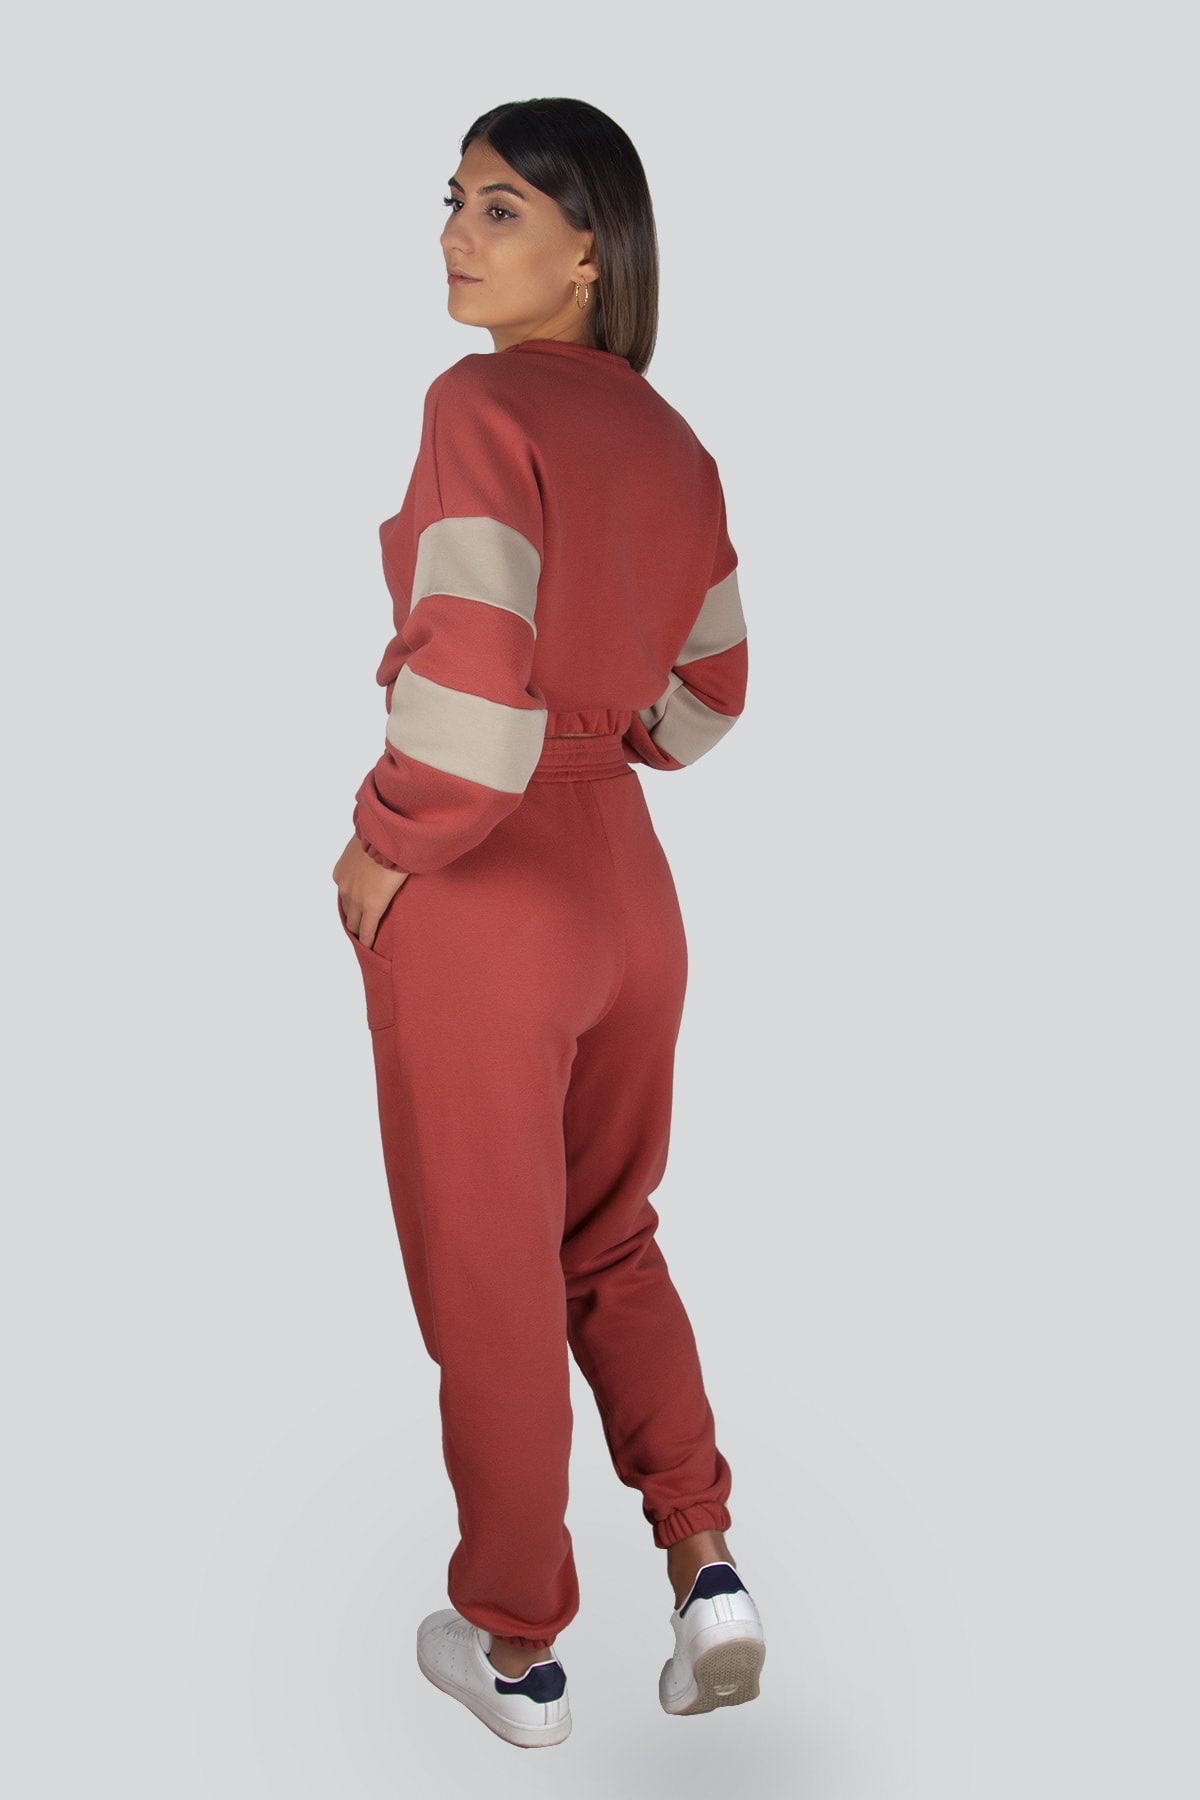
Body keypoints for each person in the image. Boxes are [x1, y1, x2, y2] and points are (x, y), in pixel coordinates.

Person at [332, 96, 764, 1749]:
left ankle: (515, 1648)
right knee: (609, 1236)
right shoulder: (676, 445)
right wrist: (602, 729)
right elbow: (710, 697)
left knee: (492, 1272)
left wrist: (385, 847)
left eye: (501, 208)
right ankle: (707, 1565)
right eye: (452, 200)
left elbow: (465, 689)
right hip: (628, 891)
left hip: (490, 893)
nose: (457, 234)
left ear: (592, 252)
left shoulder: (479, 403)